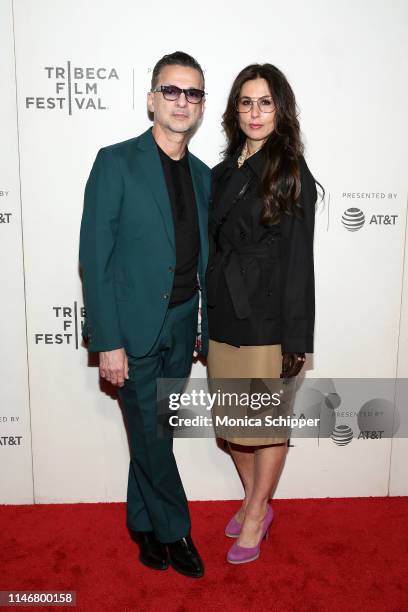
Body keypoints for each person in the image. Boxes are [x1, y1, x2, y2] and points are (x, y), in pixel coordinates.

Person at [79, 51, 210, 578]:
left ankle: (142, 521)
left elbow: (204, 260)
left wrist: (200, 326)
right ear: (152, 99)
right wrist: (106, 340)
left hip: (182, 325)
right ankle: (175, 530)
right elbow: (95, 257)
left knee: (156, 431)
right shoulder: (116, 162)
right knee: (153, 437)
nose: (182, 102)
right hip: (130, 332)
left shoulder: (204, 176)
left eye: (193, 93)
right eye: (172, 91)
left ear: (200, 107)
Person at [206, 63, 322, 564]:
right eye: (246, 102)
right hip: (223, 314)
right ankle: (258, 501)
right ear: (235, 110)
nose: (255, 112)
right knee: (232, 426)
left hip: (267, 320)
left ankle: (255, 512)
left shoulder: (289, 170)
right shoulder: (221, 172)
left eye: (265, 102)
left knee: (266, 424)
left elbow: (299, 261)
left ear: (281, 109)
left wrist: (295, 340)